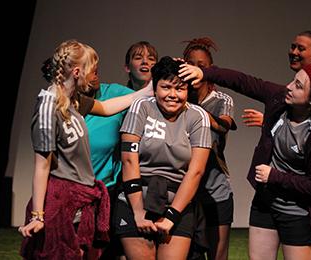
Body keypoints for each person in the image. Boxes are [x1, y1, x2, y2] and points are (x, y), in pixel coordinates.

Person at [179, 58, 311, 259]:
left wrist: (275, 176)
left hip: (297, 212)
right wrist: (204, 73)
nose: (289, 87)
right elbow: (243, 81)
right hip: (265, 203)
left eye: (298, 86)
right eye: (293, 80)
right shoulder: (279, 99)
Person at [18, 39, 152, 259]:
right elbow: (42, 167)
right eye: (93, 71)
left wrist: (145, 92)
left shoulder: (72, 100)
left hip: (80, 197)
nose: (95, 76)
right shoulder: (47, 106)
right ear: (78, 72)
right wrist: (38, 216)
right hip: (59, 200)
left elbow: (107, 108)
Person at [241, 31, 311, 260]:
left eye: (301, 48)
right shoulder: (293, 98)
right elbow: (245, 82)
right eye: (293, 46)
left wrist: (275, 175)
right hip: (286, 187)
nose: (294, 52)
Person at [114, 56, 212, 260]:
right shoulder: (141, 106)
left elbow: (196, 171)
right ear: (155, 87)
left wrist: (171, 216)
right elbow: (129, 160)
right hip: (136, 199)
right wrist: (138, 212)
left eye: (180, 89)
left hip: (178, 203)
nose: (173, 95)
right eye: (166, 87)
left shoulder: (197, 116)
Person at [83, 41, 158, 260]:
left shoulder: (116, 93)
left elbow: (144, 99)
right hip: (76, 188)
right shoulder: (65, 102)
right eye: (138, 57)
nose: (145, 62)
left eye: (151, 58)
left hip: (112, 188)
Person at [182, 37, 236, 260]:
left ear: (210, 71)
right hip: (183, 194)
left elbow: (223, 126)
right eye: (190, 64)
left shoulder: (221, 100)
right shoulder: (174, 99)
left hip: (216, 192)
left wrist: (195, 112)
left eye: (201, 66)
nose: (195, 69)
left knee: (217, 255)